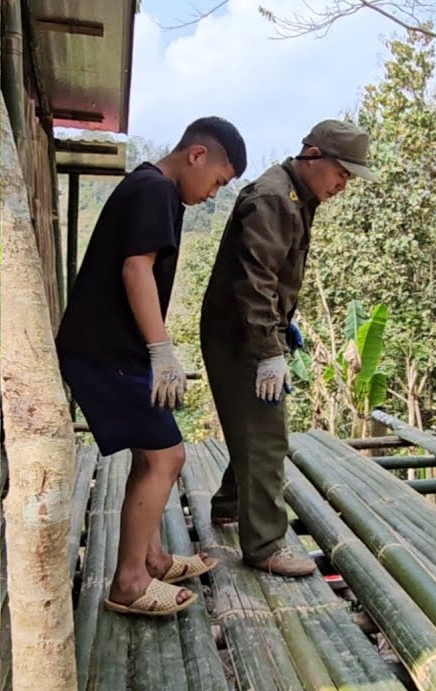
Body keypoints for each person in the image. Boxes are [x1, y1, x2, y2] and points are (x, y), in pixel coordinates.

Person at [56, 117, 247, 618]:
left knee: (153, 455)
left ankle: (153, 558)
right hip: (103, 351)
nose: (214, 194)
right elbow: (135, 268)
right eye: (219, 182)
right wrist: (161, 350)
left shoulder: (159, 191)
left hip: (118, 349)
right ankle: (129, 582)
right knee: (167, 457)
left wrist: (154, 349)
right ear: (197, 156)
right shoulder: (152, 190)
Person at [200, 119, 378, 576]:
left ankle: (229, 504)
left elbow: (274, 280)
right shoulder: (275, 198)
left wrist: (283, 330)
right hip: (242, 332)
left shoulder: (297, 195)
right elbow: (255, 285)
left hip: (253, 328)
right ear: (314, 155)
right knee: (266, 433)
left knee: (252, 424)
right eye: (341, 172)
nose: (343, 184)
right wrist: (268, 350)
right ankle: (264, 544)